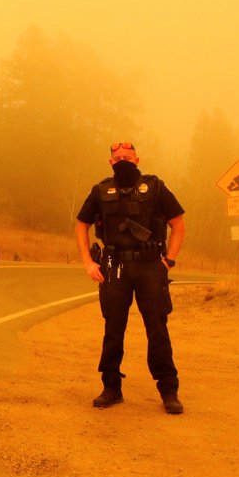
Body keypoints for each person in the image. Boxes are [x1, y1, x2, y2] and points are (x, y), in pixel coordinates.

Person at [74, 142, 186, 415]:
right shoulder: (100, 191)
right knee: (113, 329)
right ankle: (111, 388)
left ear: (137, 159)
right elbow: (81, 224)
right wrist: (88, 262)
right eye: (118, 157)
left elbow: (178, 223)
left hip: (150, 266)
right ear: (110, 162)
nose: (123, 160)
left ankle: (169, 390)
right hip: (114, 266)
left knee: (157, 328)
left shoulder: (155, 187)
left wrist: (168, 260)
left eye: (127, 156)